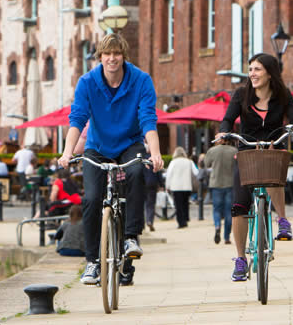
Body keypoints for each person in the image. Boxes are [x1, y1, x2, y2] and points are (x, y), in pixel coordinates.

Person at [57, 32, 164, 286]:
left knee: (137, 172)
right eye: (107, 54)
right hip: (98, 146)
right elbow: (78, 118)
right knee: (92, 198)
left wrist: (155, 151)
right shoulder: (87, 82)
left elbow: (148, 119)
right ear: (100, 57)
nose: (112, 58)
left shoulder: (141, 80)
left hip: (130, 144)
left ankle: (130, 237)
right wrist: (67, 151)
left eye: (117, 53)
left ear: (123, 56)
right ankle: (93, 262)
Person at [216, 52, 293, 282]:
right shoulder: (241, 95)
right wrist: (222, 131)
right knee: (239, 205)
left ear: (269, 73)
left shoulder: (283, 95)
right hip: (247, 151)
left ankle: (283, 220)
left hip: (271, 148)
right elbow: (228, 119)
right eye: (250, 70)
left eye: (257, 69)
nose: (252, 74)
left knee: (273, 170)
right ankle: (240, 259)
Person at [205, 138, 236, 244]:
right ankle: (227, 237)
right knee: (229, 211)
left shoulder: (212, 151)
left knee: (217, 209)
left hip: (216, 183)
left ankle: (217, 226)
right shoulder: (234, 151)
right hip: (230, 183)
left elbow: (206, 164)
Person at [165, 147, 197, 228]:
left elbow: (169, 175)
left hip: (176, 187)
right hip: (187, 186)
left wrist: (167, 186)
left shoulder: (173, 162)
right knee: (185, 204)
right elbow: (196, 172)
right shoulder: (189, 162)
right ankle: (186, 219)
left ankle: (181, 222)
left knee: (178, 206)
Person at [143, 162, 161, 231]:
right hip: (152, 184)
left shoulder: (139, 157)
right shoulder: (154, 159)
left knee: (141, 205)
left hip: (142, 183)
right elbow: (158, 173)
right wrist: (161, 184)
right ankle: (149, 221)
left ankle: (142, 225)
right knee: (150, 204)